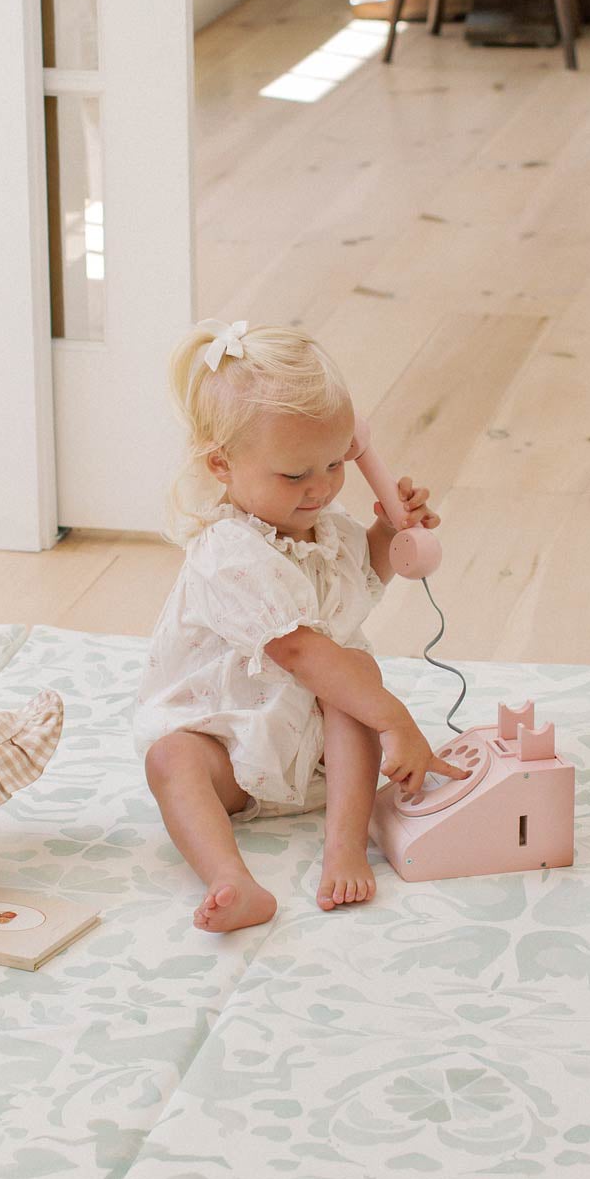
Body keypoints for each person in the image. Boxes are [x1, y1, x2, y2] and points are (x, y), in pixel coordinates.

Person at [134, 319, 466, 933]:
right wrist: (395, 718)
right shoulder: (228, 552)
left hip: (314, 755)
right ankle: (229, 877)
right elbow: (299, 651)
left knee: (353, 671)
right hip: (230, 757)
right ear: (223, 466)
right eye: (295, 476)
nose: (320, 490)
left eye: (337, 464)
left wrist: (391, 529)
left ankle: (344, 845)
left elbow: (354, 582)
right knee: (170, 759)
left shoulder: (324, 526)